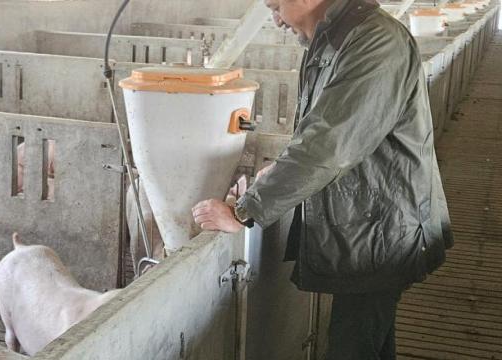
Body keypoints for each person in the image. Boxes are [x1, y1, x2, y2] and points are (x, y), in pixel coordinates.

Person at [192, 0, 453, 358]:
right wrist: (282, 168)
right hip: (370, 221)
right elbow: (322, 131)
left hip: (382, 229)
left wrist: (244, 210)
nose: (276, 19)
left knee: (352, 347)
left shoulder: (374, 42)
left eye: (276, 6)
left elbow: (328, 145)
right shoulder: (337, 39)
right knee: (369, 341)